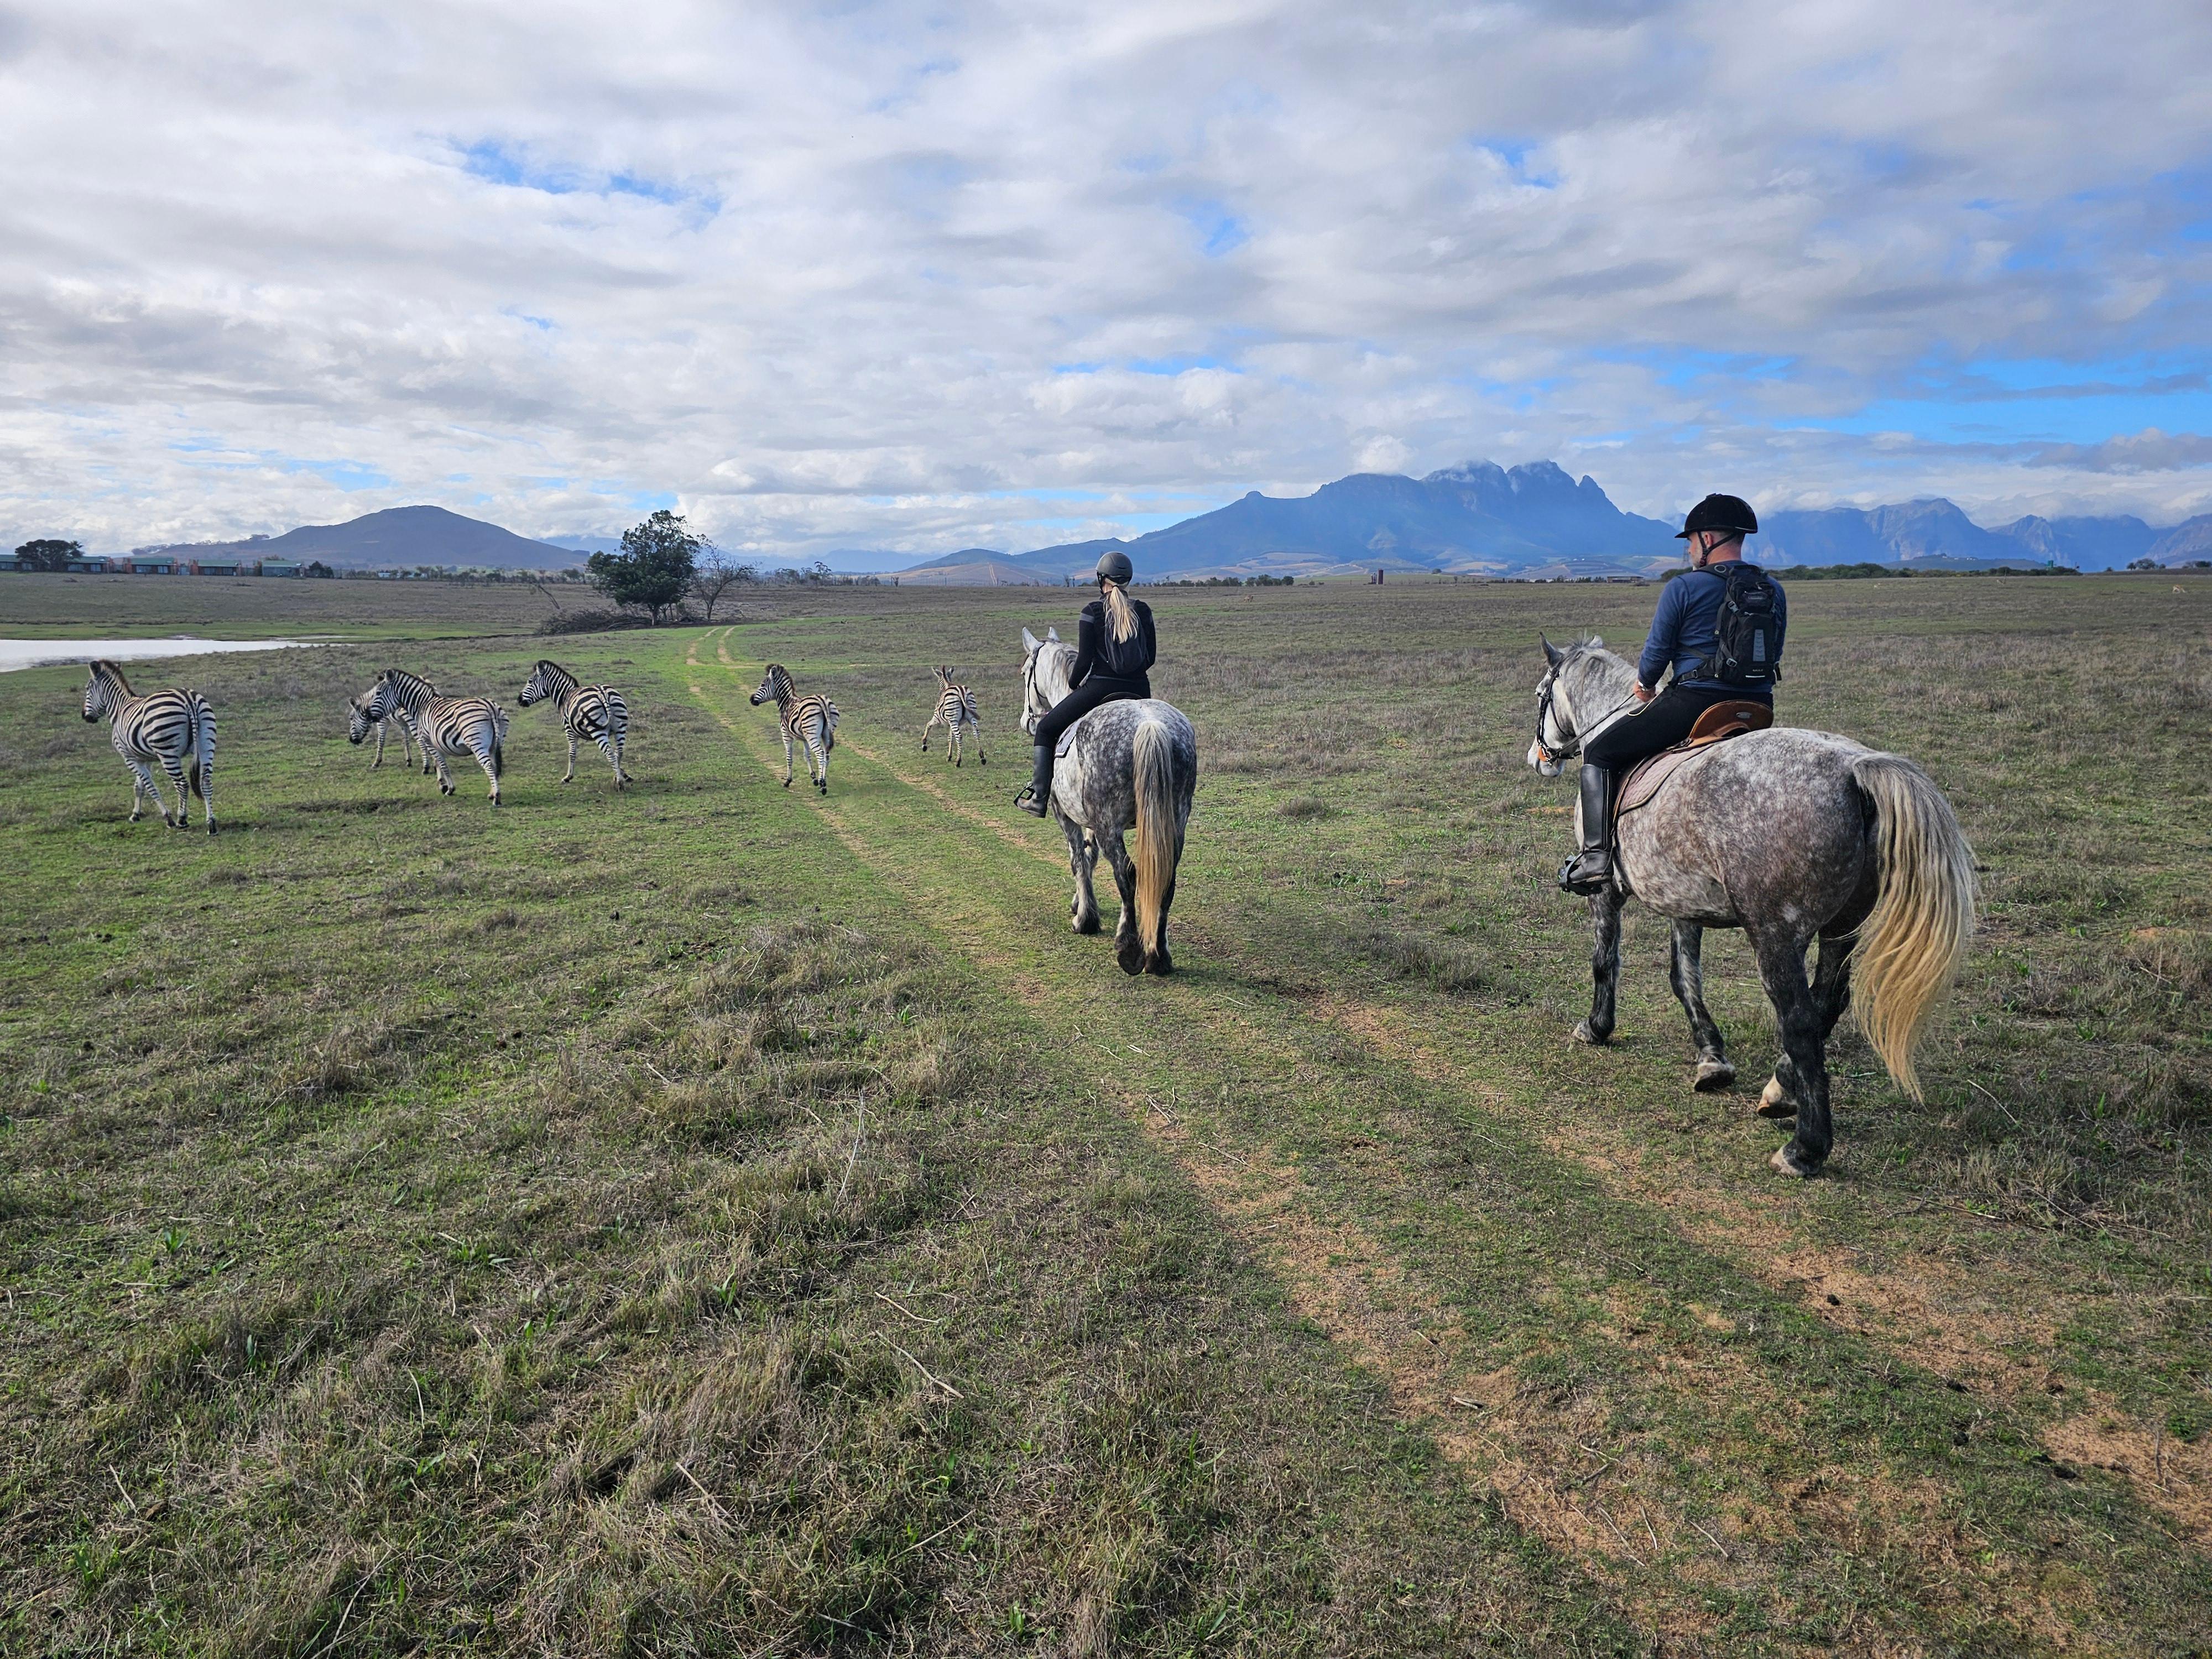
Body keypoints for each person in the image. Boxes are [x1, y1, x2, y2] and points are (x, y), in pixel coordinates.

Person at [1557, 493, 1787, 894]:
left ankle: (1595, 859)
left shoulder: (1683, 587)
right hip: (1757, 706)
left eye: (1692, 540)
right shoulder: (1773, 589)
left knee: (1599, 752)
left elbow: (1656, 655)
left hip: (1695, 705)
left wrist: (1645, 685)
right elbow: (1776, 651)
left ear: (1710, 538)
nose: (1690, 548)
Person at [1016, 550, 1156, 815]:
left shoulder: (1092, 612)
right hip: (1140, 690)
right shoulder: (1144, 611)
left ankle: (1039, 798)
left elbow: (1083, 661)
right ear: (1128, 580)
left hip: (1099, 689)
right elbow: (1150, 657)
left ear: (1101, 579)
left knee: (1046, 728)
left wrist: (1073, 682)